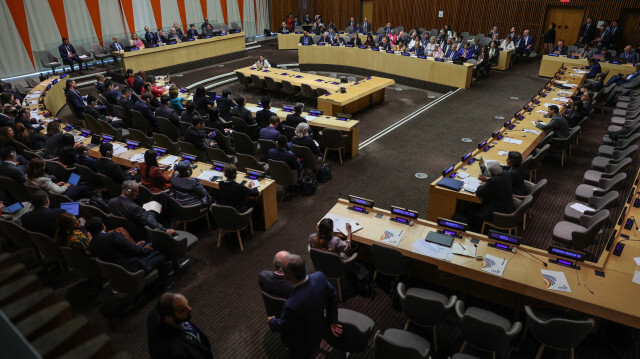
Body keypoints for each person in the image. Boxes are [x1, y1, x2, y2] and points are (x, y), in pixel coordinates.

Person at [267, 254, 341, 359]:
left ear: (289, 274)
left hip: (300, 344)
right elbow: (333, 295)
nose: (282, 272)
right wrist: (332, 319)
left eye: (282, 270)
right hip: (318, 332)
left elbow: (283, 326)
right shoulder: (319, 277)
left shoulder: (291, 304)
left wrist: (271, 321)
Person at [87, 216, 165, 274]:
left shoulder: (91, 246)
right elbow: (135, 251)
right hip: (135, 267)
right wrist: (146, 249)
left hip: (119, 274)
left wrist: (135, 246)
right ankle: (160, 286)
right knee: (159, 253)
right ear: (102, 226)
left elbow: (117, 253)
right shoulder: (112, 235)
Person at [147, 292, 213, 359]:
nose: (190, 309)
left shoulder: (160, 311)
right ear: (169, 317)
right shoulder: (173, 352)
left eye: (187, 304)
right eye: (183, 310)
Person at [108, 180, 176, 233]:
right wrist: (165, 230)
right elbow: (149, 221)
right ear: (128, 192)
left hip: (127, 226)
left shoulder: (111, 201)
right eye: (136, 191)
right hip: (140, 229)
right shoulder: (134, 208)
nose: (138, 194)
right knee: (158, 204)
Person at [470, 161, 514, 231]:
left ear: (490, 173)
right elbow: (498, 181)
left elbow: (479, 192)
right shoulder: (506, 173)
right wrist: (487, 180)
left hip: (498, 212)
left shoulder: (492, 182)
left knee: (472, 208)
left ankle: (476, 229)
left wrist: (482, 184)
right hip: (508, 206)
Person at [26, 157, 92, 200]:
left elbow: (45, 187)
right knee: (84, 187)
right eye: (43, 166)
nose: (44, 167)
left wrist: (55, 185)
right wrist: (66, 186)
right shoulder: (43, 180)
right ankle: (90, 200)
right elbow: (59, 191)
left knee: (73, 183)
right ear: (41, 168)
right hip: (61, 196)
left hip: (50, 192)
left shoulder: (27, 176)